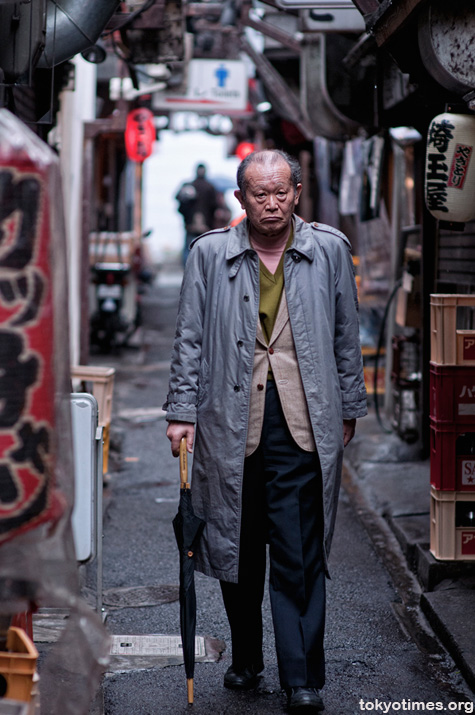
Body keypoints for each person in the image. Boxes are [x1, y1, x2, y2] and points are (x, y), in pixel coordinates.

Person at [164, 149, 367, 712]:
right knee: (238, 547)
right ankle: (247, 659)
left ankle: (301, 678)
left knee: (299, 554)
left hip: (303, 424)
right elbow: (188, 339)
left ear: (297, 193)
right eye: (260, 194)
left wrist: (348, 407)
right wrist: (181, 410)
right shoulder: (210, 255)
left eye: (281, 192)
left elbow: (345, 337)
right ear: (240, 199)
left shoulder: (328, 249)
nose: (272, 203)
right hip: (228, 424)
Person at [175, 163, 218, 264]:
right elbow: (215, 206)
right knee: (206, 251)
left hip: (190, 224)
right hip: (206, 225)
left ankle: (187, 272)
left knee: (188, 250)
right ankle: (204, 272)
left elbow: (178, 200)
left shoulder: (188, 186)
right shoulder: (210, 187)